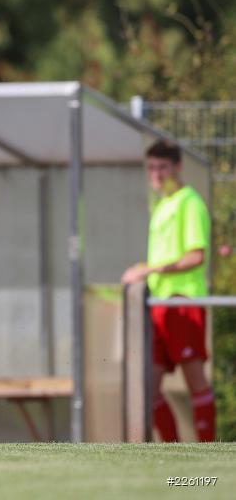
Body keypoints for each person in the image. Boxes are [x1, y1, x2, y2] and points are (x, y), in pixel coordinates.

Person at [121, 140, 214, 442]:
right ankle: (172, 450)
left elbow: (195, 256)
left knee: (195, 380)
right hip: (159, 305)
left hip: (183, 301)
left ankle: (206, 451)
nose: (156, 174)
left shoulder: (190, 202)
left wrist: (149, 270)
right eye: (151, 168)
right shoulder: (163, 205)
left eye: (163, 167)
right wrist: (146, 269)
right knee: (148, 387)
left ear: (177, 167)